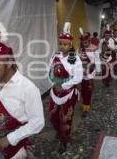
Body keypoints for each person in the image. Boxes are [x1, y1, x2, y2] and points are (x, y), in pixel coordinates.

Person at [0, 21, 45, 159]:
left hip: (16, 150)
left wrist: (11, 138)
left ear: (9, 62)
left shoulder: (27, 88)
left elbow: (38, 122)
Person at [48, 22, 83, 154]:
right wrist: (54, 84)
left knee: (66, 118)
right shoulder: (55, 57)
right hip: (55, 92)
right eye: (61, 44)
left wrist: (63, 86)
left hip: (68, 93)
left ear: (70, 45)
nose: (62, 46)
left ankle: (64, 140)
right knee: (52, 116)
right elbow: (49, 72)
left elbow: (78, 77)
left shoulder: (75, 59)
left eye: (65, 44)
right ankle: (58, 130)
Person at [78, 28, 101, 117]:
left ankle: (85, 108)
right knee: (83, 90)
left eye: (86, 42)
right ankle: (85, 102)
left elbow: (97, 59)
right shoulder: (80, 49)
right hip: (82, 72)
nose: (85, 44)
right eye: (83, 43)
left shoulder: (94, 48)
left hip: (90, 71)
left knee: (88, 90)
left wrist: (98, 70)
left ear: (89, 40)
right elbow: (77, 59)